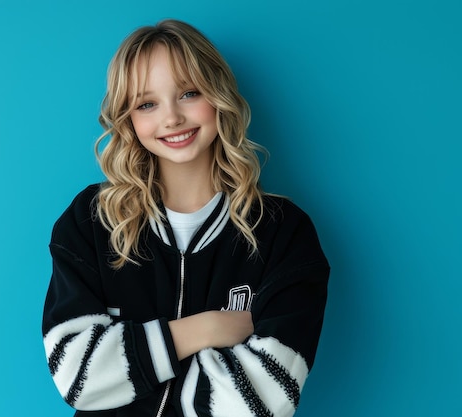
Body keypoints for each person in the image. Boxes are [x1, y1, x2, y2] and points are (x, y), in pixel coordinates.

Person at [42, 19, 330, 417]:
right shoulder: (92, 221)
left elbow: (263, 397)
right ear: (128, 118)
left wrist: (130, 361)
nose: (172, 118)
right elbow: (78, 376)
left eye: (189, 93)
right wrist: (207, 329)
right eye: (147, 103)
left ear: (218, 96)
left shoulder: (284, 232)